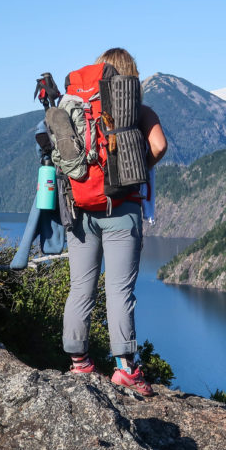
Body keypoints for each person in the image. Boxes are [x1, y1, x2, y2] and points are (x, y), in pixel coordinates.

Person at [62, 48, 167, 396]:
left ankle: (79, 363)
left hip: (79, 209)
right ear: (129, 75)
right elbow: (159, 146)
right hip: (121, 210)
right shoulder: (136, 110)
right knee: (119, 290)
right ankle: (125, 369)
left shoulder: (77, 108)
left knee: (81, 287)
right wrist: (134, 170)